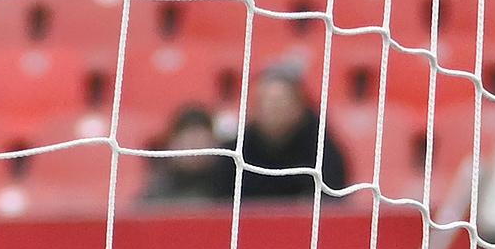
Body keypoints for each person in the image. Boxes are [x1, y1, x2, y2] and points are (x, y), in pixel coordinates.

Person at [235, 63, 349, 200]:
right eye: (264, 101)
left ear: (299, 105)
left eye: (279, 102)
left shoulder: (323, 151)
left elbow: (332, 201)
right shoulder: (237, 151)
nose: (272, 109)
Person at [140, 102, 238, 206]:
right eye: (189, 140)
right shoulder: (156, 192)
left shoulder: (231, 188)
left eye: (200, 140)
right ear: (172, 143)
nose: (194, 146)